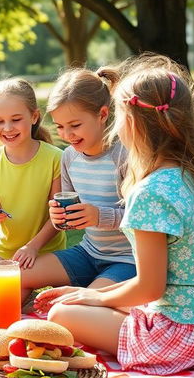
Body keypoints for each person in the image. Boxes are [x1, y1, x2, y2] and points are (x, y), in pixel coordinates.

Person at [37, 55, 194, 375]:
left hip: (183, 337)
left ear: (130, 124)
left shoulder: (149, 192)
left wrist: (94, 298)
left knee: (62, 314)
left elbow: (149, 289)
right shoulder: (188, 172)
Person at [12, 68, 136, 312]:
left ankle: (95, 297)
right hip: (88, 253)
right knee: (10, 276)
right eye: (59, 127)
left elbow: (145, 217)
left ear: (102, 114)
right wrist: (60, 219)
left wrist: (100, 216)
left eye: (75, 125)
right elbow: (68, 219)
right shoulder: (68, 157)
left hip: (127, 260)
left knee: (78, 309)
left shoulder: (125, 154)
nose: (67, 135)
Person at [0, 78, 65, 318]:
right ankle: (27, 296)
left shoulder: (55, 158)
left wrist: (32, 247)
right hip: (5, 254)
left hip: (46, 252)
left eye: (16, 120)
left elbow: (60, 218)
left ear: (34, 116)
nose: (7, 128)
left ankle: (25, 292)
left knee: (69, 306)